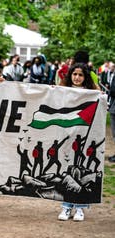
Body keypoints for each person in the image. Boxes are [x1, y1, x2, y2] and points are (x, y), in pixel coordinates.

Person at [57, 63, 99, 221]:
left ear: (85, 77)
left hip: (85, 139)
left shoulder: (92, 93)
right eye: (74, 74)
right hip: (68, 138)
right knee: (68, 172)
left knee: (83, 170)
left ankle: (80, 208)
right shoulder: (63, 91)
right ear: (70, 75)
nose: (77, 77)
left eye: (80, 75)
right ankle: (66, 206)